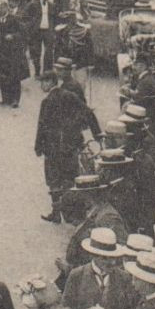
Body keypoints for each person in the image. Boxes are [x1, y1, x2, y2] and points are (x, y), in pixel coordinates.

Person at [61, 227, 141, 309]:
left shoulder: (124, 278)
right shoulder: (77, 275)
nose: (112, 262)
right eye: (106, 258)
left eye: (114, 257)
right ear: (93, 255)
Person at [35, 69, 101, 222]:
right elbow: (88, 112)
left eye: (44, 82)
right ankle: (73, 215)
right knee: (70, 178)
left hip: (52, 149)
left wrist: (38, 147)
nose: (42, 86)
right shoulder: (69, 96)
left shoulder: (47, 102)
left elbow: (42, 126)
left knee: (53, 180)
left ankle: (57, 213)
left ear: (51, 82)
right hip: (70, 147)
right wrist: (97, 134)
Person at [0, 10, 29, 108]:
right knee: (3, 75)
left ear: (5, 7)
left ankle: (15, 100)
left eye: (1, 7)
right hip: (1, 52)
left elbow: (23, 33)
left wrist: (13, 36)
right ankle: (5, 99)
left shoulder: (14, 19)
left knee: (14, 75)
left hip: (14, 52)